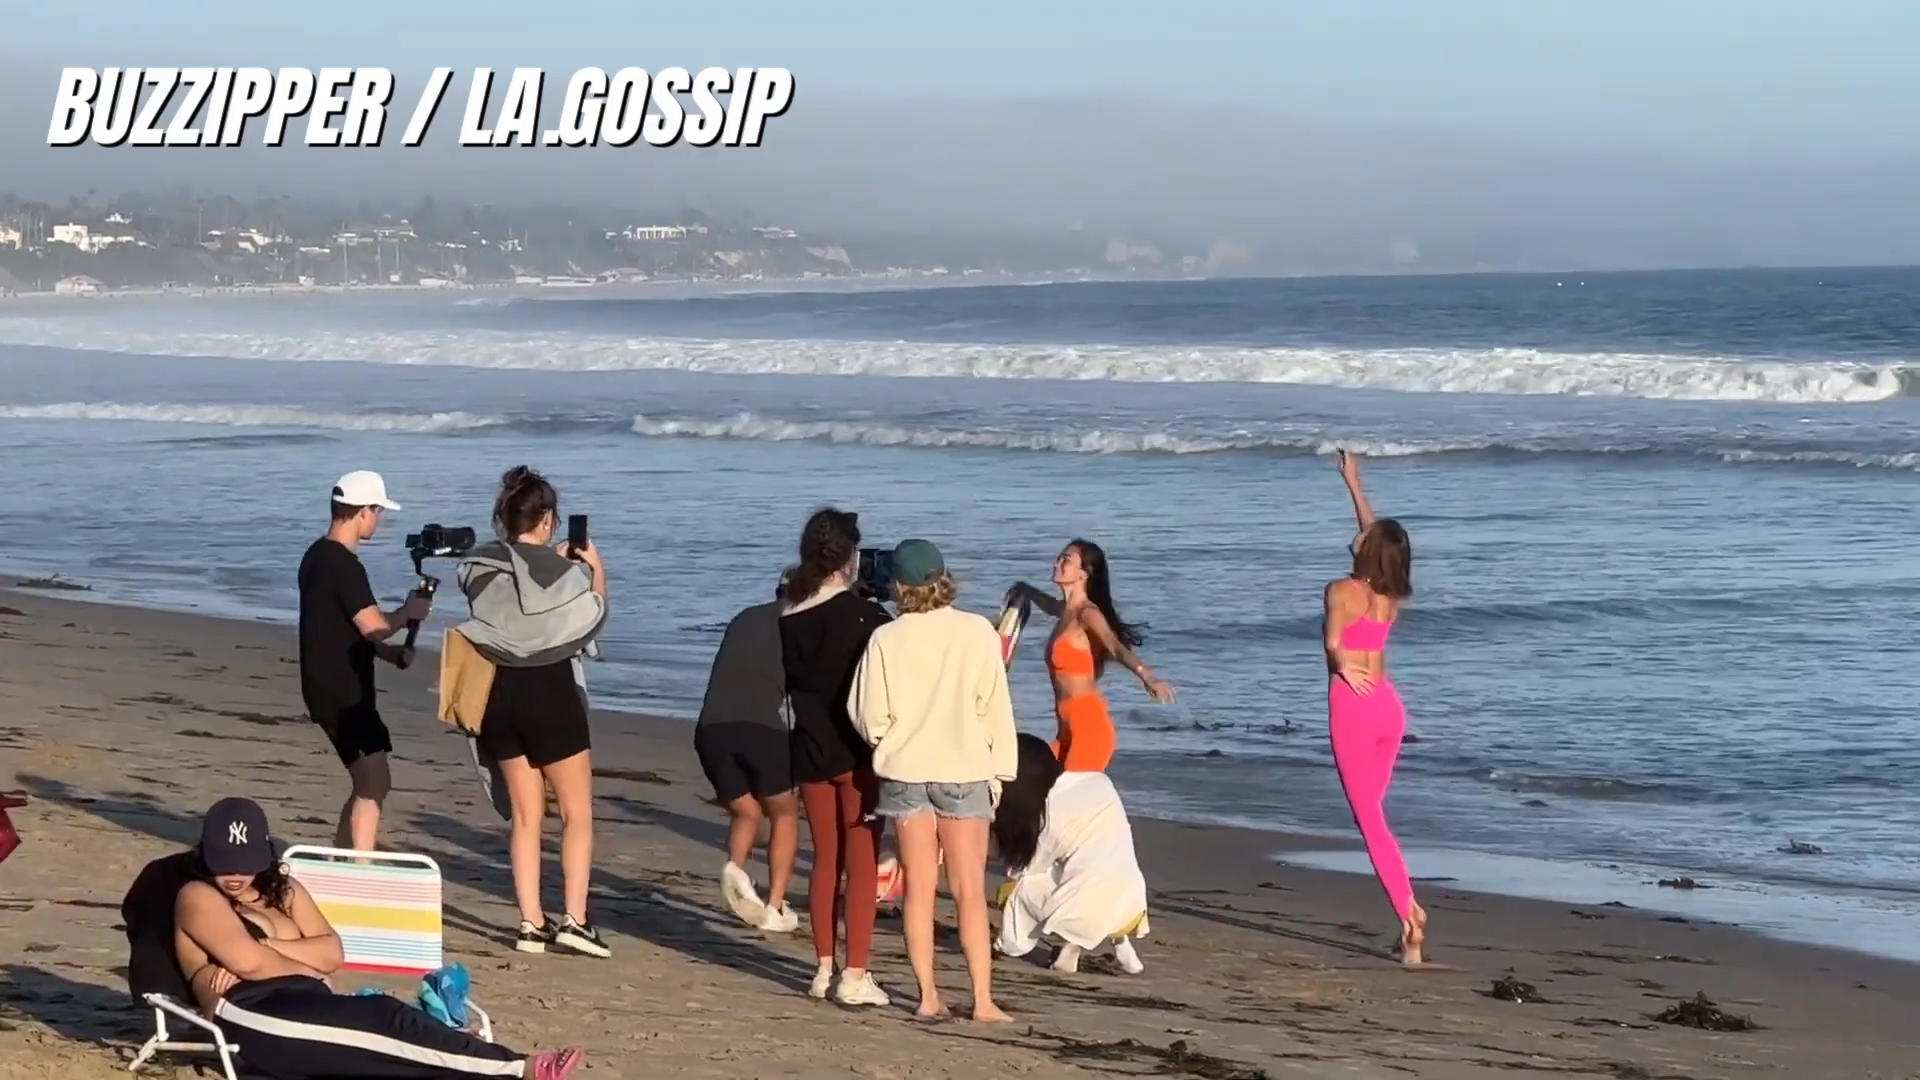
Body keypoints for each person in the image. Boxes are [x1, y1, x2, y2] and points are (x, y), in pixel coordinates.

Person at [121, 797, 585, 1080]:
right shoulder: (197, 896)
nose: (235, 874)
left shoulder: (285, 891)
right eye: (225, 862)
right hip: (253, 1013)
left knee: (384, 1024)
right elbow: (250, 965)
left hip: (306, 999)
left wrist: (271, 949)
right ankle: (520, 1068)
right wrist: (303, 964)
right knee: (380, 1022)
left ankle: (503, 1067)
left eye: (245, 863)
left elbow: (333, 952)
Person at [850, 539, 1018, 1022]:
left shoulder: (886, 638)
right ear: (943, 577)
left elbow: (866, 713)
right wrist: (1001, 771)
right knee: (969, 891)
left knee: (919, 891)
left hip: (907, 772)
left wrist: (890, 741)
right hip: (964, 769)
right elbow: (995, 706)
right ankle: (983, 1000)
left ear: (898, 585)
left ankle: (928, 997)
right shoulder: (977, 631)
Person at [454, 466, 611, 958]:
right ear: (546, 519)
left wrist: (543, 559)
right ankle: (575, 920)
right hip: (551, 692)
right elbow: (592, 618)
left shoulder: (478, 566)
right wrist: (596, 569)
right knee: (576, 813)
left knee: (525, 818)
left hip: (500, 695)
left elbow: (514, 597)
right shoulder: (566, 573)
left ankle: (530, 923)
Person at [779, 508, 892, 1005]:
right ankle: (856, 971)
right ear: (849, 558)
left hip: (811, 746)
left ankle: (824, 967)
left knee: (826, 859)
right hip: (857, 751)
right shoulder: (866, 618)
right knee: (862, 862)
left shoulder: (790, 613)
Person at [1323, 450, 1425, 965]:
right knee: (1376, 816)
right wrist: (1354, 483)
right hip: (1389, 708)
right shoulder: (1390, 595)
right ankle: (1405, 916)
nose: (1358, 533)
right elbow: (1375, 533)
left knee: (1370, 822)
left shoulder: (1341, 590)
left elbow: (1332, 643)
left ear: (1367, 552)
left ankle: (1410, 919)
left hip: (1355, 707)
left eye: (1363, 535)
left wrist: (1341, 663)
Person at [298, 470, 431, 853]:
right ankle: (358, 865)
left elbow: (338, 629)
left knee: (369, 781)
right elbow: (373, 626)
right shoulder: (342, 564)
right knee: (373, 783)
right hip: (342, 691)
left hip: (329, 685)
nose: (380, 520)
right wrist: (407, 612)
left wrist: (388, 654)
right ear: (363, 512)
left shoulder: (317, 556)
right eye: (378, 511)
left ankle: (344, 857)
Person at [694, 568, 801, 933]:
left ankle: (735, 870)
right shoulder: (799, 627)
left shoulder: (744, 617)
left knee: (746, 811)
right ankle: (775, 906)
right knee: (784, 812)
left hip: (711, 729)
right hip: (760, 728)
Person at [1008, 539, 1174, 773]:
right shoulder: (1065, 611)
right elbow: (1047, 603)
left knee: (1063, 792)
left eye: (1066, 560)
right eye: (1059, 558)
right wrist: (1025, 589)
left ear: (1084, 573)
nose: (1057, 563)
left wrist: (1148, 677)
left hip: (1088, 730)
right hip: (1065, 731)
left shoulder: (1087, 614)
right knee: (1032, 783)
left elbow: (1116, 647)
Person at [992, 734, 1150, 975]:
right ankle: (1121, 943)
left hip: (1084, 908)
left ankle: (1015, 944)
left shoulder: (1051, 811)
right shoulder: (1098, 781)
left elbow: (1034, 864)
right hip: (1132, 899)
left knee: (1018, 885)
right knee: (1100, 865)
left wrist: (1011, 871)